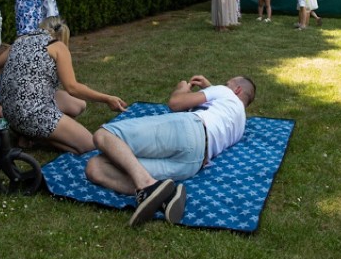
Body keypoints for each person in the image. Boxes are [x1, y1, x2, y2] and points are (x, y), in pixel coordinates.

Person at [84, 74, 256, 227]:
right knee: (95, 167)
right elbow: (215, 116)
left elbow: (175, 104)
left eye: (227, 83)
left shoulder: (224, 93)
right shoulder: (239, 124)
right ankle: (166, 195)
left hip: (188, 130)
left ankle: (146, 185)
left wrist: (181, 89)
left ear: (237, 89)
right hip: (193, 163)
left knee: (104, 135)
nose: (223, 85)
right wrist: (209, 88)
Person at [0, 16, 127, 154]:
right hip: (32, 112)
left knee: (78, 105)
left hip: (9, 112)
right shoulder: (58, 46)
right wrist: (107, 99)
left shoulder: (20, 40)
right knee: (91, 146)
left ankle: (27, 134)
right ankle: (39, 136)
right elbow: (72, 88)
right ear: (64, 36)